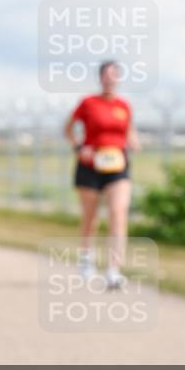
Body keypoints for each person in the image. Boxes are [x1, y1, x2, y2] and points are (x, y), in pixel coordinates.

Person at [64, 61, 140, 289]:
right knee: (91, 215)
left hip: (118, 164)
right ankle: (86, 259)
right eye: (106, 75)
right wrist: (79, 148)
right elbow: (68, 129)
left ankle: (113, 270)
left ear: (118, 78)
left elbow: (129, 130)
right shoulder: (88, 103)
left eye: (114, 75)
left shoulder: (124, 106)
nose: (110, 79)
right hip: (91, 164)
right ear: (100, 78)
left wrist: (134, 141)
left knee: (118, 212)